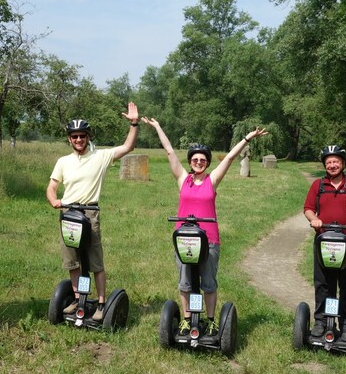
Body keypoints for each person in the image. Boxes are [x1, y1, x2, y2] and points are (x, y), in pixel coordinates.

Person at [143, 117, 268, 335]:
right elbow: (170, 152)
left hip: (208, 239)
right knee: (185, 282)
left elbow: (229, 158)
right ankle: (186, 318)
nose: (198, 162)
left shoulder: (212, 180)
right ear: (190, 162)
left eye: (202, 160)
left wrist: (248, 138)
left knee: (208, 282)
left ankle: (210, 320)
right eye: (195, 159)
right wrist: (157, 127)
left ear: (207, 163)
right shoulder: (183, 179)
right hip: (184, 240)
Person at [46, 102, 140, 321]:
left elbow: (128, 147)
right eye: (74, 136)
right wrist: (54, 200)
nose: (78, 140)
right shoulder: (63, 161)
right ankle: (78, 298)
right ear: (69, 139)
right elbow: (51, 186)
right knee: (72, 261)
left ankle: (99, 302)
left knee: (94, 261)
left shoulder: (100, 156)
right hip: (68, 214)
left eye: (82, 136)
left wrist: (134, 123)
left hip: (89, 213)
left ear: (88, 137)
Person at [303, 145, 346, 343]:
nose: (332, 165)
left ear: (343, 163)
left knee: (345, 284)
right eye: (328, 162)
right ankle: (321, 322)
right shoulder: (318, 185)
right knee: (322, 283)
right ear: (325, 165)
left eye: (335, 161)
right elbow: (307, 208)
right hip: (323, 241)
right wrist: (313, 219)